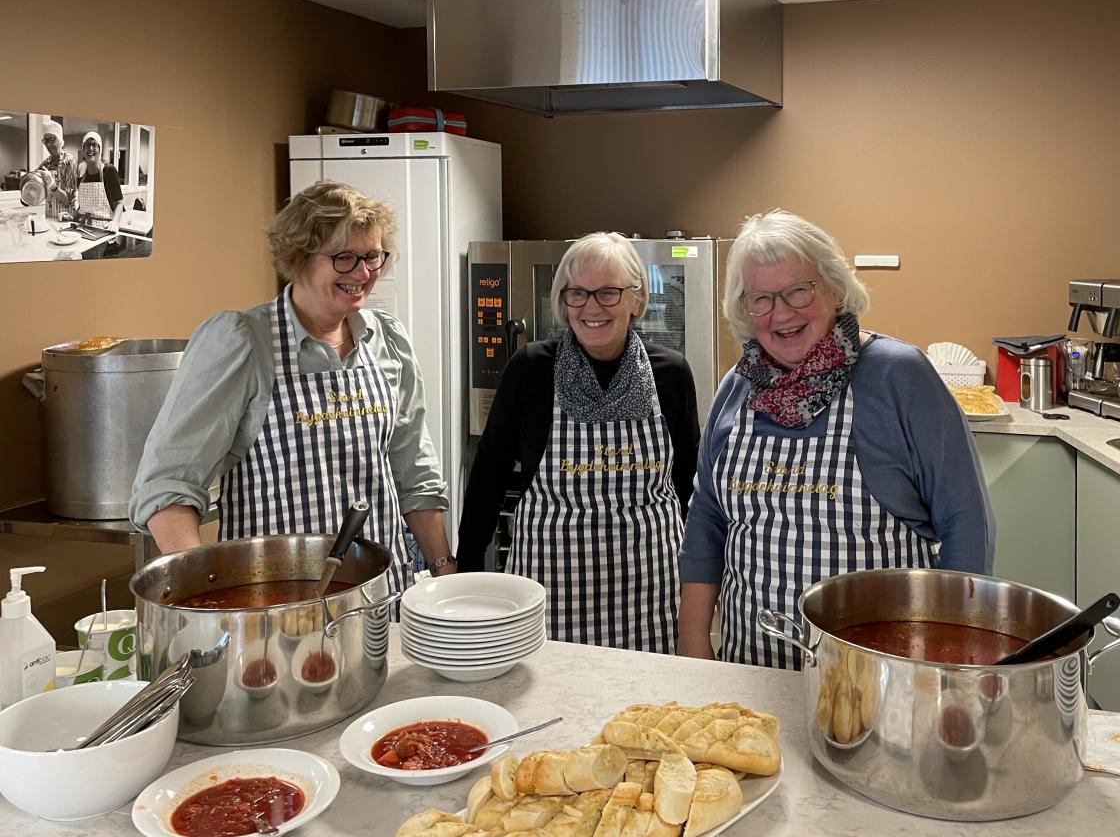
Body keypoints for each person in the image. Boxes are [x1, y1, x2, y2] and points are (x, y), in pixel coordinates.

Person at [677, 209, 994, 668]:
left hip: (881, 680)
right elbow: (707, 521)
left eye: (798, 290)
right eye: (760, 298)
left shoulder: (898, 375)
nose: (780, 313)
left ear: (835, 287)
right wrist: (693, 642)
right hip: (748, 670)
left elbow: (968, 522)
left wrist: (952, 661)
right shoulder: (738, 386)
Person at [131, 181, 457, 600]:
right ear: (298, 258)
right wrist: (207, 598)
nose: (363, 274)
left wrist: (443, 571)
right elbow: (166, 486)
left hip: (380, 596)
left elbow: (413, 468)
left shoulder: (386, 339)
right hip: (271, 604)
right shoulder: (243, 342)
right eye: (344, 258)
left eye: (372, 256)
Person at [458, 232, 700, 653]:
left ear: (636, 300)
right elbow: (489, 475)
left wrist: (701, 590)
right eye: (577, 293)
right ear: (563, 300)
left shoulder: (671, 373)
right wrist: (465, 579)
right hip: (550, 582)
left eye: (608, 292)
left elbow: (688, 486)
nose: (591, 307)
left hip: (649, 588)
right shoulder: (531, 368)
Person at [75, 131, 124, 231]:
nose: (91, 148)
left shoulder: (109, 171)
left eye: (94, 145)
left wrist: (115, 222)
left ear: (100, 149)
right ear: (83, 151)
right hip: (83, 229)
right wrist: (72, 215)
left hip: (104, 230)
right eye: (87, 145)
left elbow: (119, 204)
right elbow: (83, 208)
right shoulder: (81, 174)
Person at [34, 120, 77, 219]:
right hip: (49, 217)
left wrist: (53, 186)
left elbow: (69, 199)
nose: (48, 145)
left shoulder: (69, 161)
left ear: (60, 140)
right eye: (45, 141)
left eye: (52, 139)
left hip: (66, 219)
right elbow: (35, 186)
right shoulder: (45, 163)